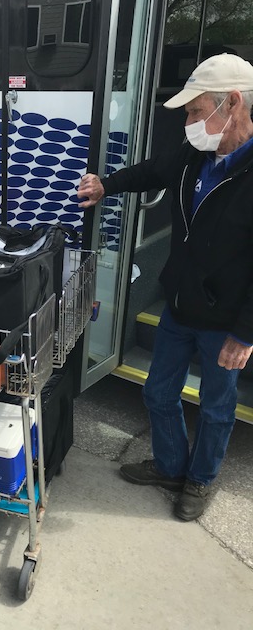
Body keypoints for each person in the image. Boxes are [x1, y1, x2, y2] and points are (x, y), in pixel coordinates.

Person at [77, 53, 253, 522]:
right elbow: (153, 171)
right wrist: (106, 185)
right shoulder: (193, 154)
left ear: (232, 104)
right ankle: (172, 467)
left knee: (217, 408)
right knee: (158, 393)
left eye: (196, 112)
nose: (189, 123)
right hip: (179, 304)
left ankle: (201, 480)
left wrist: (246, 333)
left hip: (226, 321)